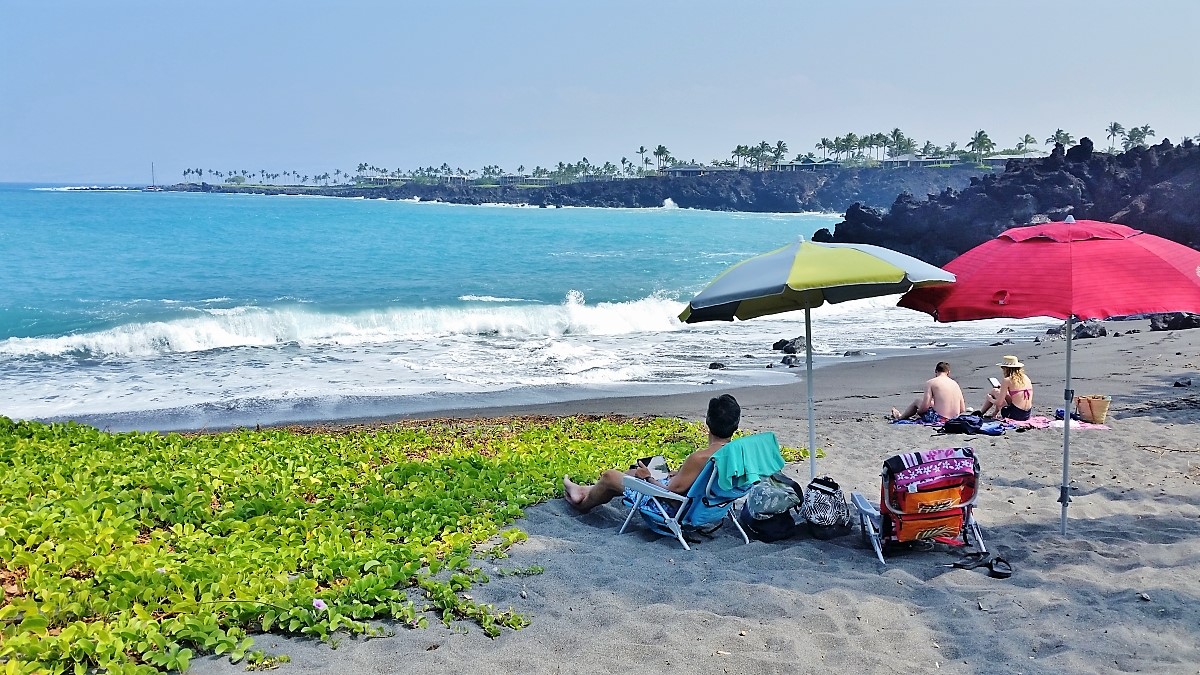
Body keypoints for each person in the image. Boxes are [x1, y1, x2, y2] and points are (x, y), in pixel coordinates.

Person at [563, 394, 740, 513]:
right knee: (631, 473)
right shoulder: (738, 453)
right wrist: (680, 474)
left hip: (675, 508)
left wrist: (648, 477)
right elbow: (704, 480)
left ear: (707, 420)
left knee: (610, 476)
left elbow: (671, 491)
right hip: (710, 506)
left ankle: (583, 503)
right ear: (736, 424)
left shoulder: (700, 458)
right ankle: (585, 490)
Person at [890, 361, 967, 423]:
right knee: (933, 403)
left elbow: (925, 406)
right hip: (955, 419)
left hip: (940, 419)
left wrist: (918, 413)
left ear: (936, 371)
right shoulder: (955, 384)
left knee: (917, 401)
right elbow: (962, 409)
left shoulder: (931, 382)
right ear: (948, 372)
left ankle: (900, 417)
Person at [980, 355, 1033, 421]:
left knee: (994, 391)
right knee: (1000, 392)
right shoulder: (1025, 377)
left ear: (1006, 369)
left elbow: (999, 403)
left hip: (1014, 415)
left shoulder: (1007, 380)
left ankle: (981, 413)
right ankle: (993, 413)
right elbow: (1017, 395)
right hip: (1026, 414)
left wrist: (990, 399)